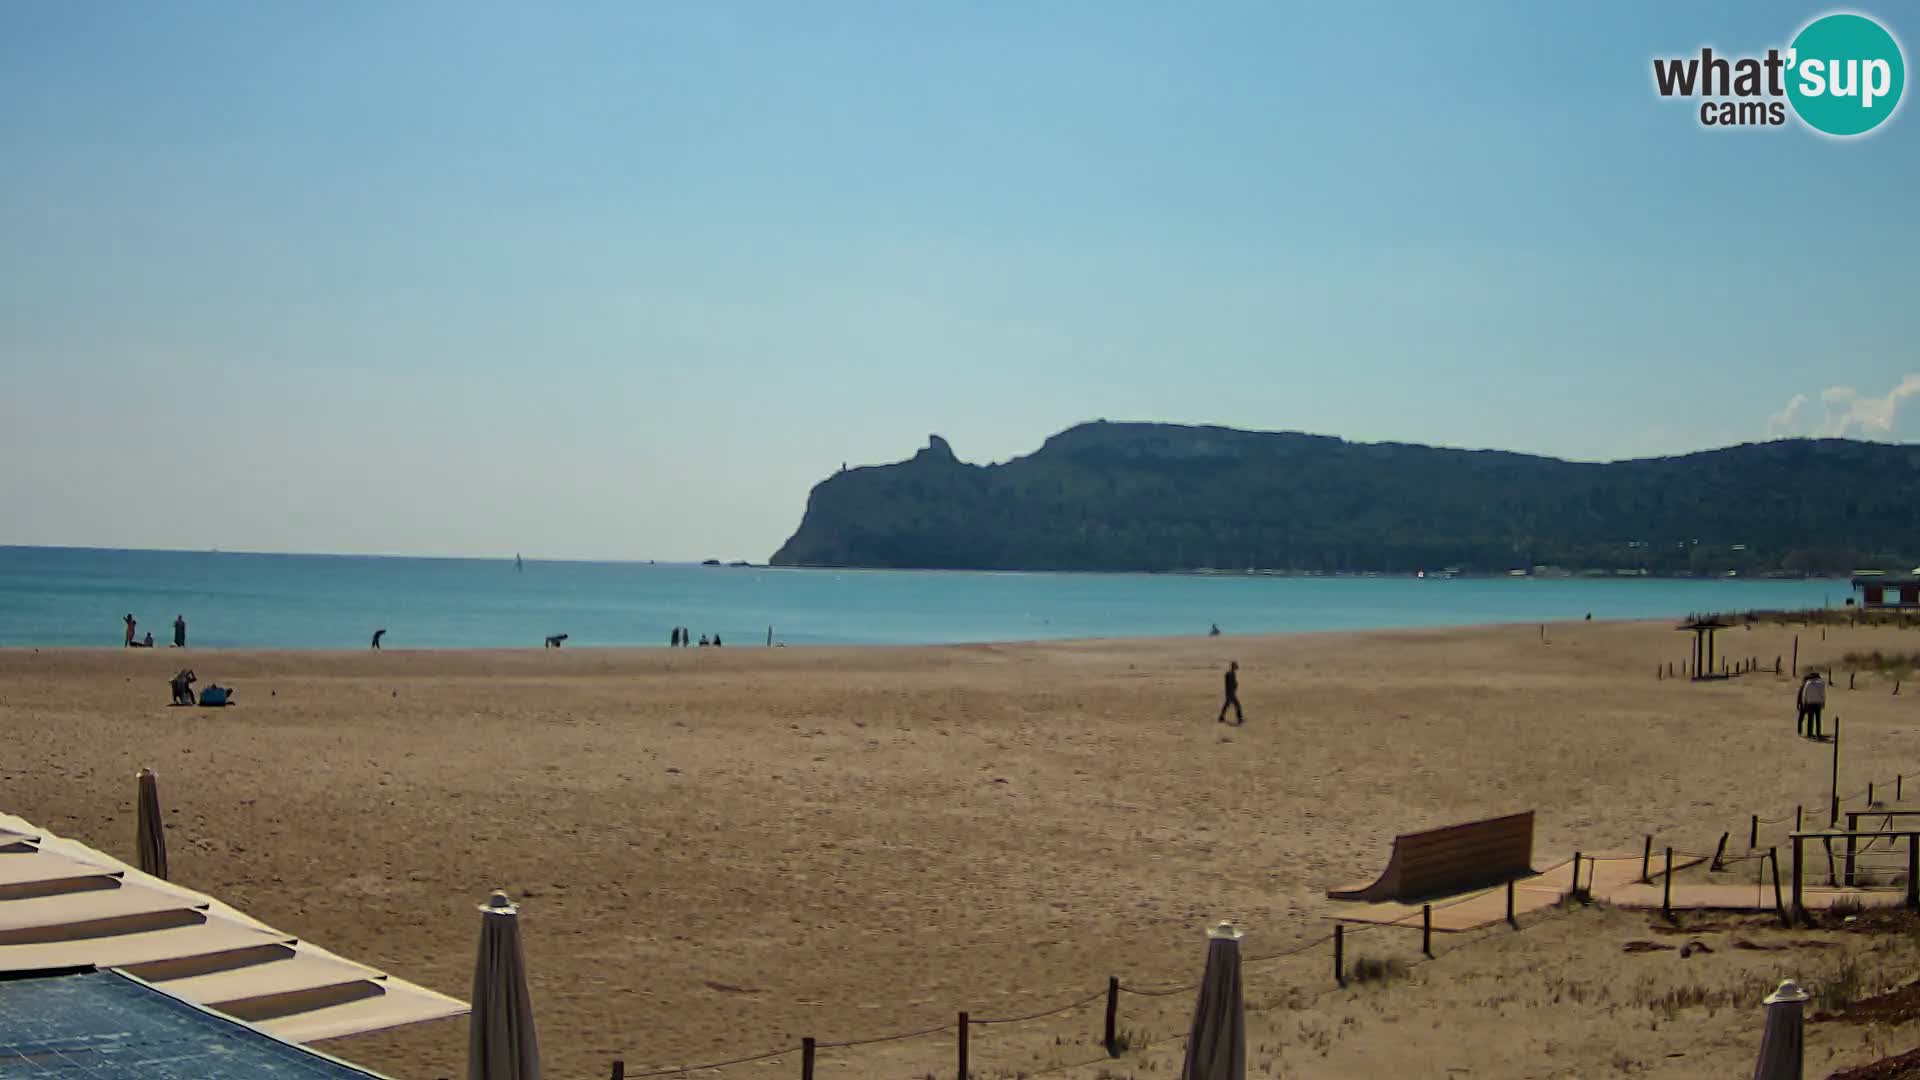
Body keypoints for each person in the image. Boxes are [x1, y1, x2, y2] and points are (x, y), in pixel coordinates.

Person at [1798, 672, 1827, 738]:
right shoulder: (1821, 683)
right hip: (1818, 703)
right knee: (1818, 719)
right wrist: (1823, 702)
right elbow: (1823, 694)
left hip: (1810, 703)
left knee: (1810, 719)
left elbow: (1805, 694)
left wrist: (1804, 702)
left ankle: (1809, 733)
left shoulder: (1808, 683)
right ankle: (1818, 733)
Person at [1217, 661, 1244, 725]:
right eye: (1236, 666)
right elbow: (1229, 684)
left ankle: (1221, 717)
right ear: (1233, 666)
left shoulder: (1230, 673)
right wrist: (1234, 687)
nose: (1236, 668)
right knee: (1237, 705)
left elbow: (1229, 684)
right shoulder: (1230, 674)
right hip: (1231, 693)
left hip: (1229, 693)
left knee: (1226, 705)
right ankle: (1240, 719)